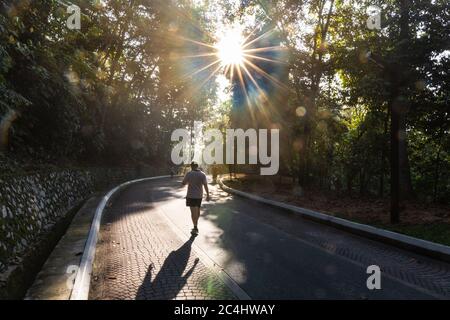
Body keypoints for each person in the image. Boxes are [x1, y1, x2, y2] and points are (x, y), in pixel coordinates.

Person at [182, 161, 210, 236]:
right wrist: (208, 195)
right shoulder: (202, 174)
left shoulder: (189, 174)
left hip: (191, 196)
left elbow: (183, 183)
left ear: (191, 166)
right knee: (197, 211)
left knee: (193, 213)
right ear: (197, 166)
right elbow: (205, 185)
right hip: (199, 196)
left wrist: (188, 180)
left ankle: (195, 227)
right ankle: (195, 224)